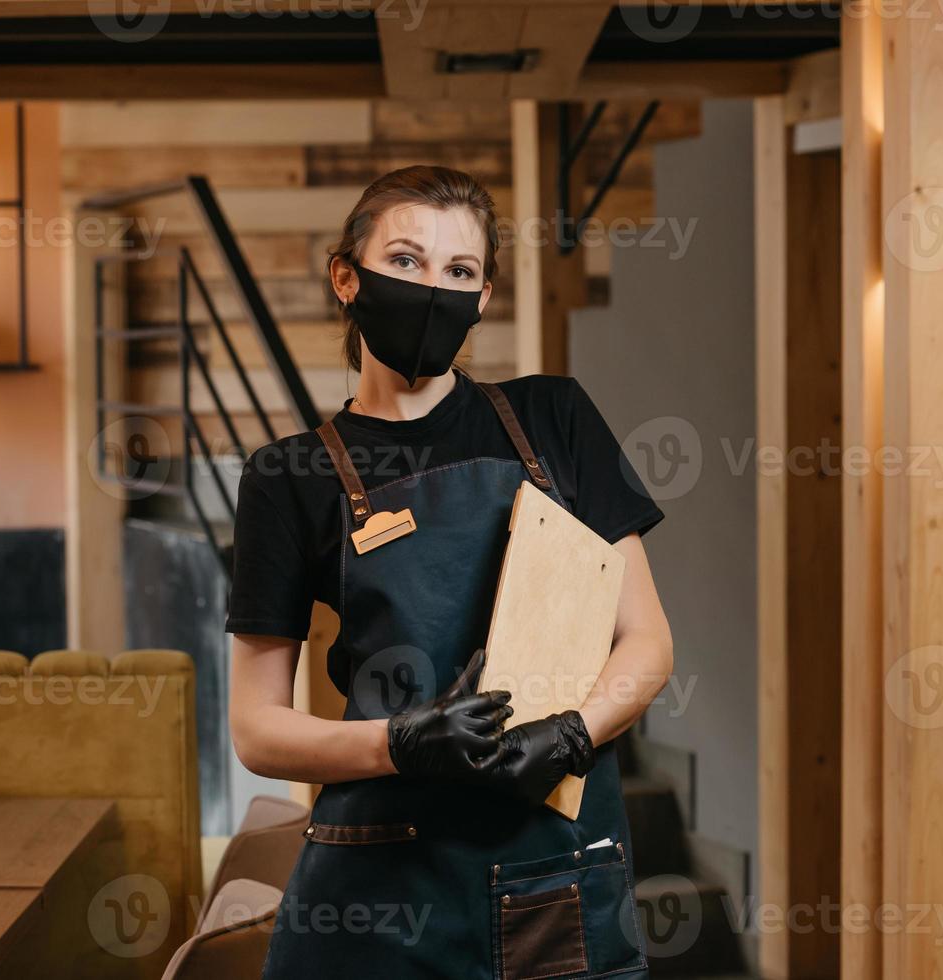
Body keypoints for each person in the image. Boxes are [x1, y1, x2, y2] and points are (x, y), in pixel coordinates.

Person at [227, 164, 673, 978]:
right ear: (346, 276)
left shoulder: (554, 421)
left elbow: (645, 643)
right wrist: (398, 744)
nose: (434, 289)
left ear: (484, 295)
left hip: (551, 869)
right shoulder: (288, 477)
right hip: (381, 885)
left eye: (459, 272)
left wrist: (572, 732)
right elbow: (256, 727)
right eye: (405, 261)